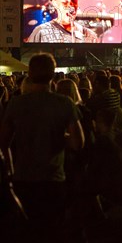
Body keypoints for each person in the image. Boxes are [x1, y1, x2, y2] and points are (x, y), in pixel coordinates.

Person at [0, 53, 85, 241]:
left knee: (27, 231)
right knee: (52, 230)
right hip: (53, 178)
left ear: (29, 73)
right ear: (53, 74)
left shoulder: (16, 103)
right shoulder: (65, 103)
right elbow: (78, 143)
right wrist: (59, 136)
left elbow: (2, 142)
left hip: (23, 177)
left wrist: (10, 171)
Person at [26, 0, 98, 43]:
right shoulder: (41, 32)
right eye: (65, 2)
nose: (71, 6)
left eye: (73, 1)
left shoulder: (89, 35)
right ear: (54, 2)